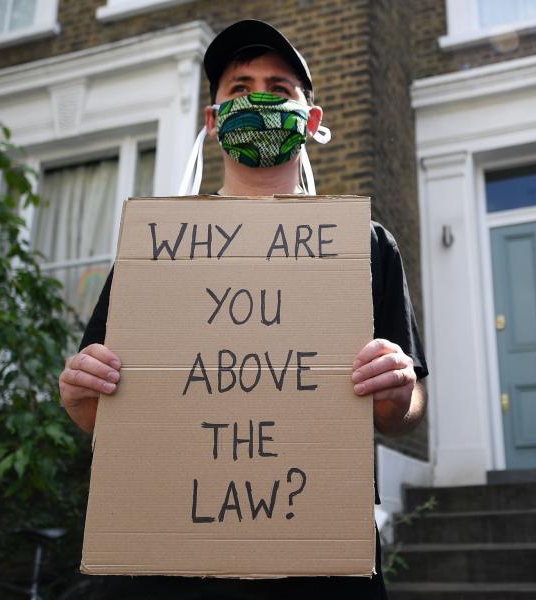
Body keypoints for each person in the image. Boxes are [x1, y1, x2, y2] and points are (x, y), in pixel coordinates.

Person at [58, 19, 429, 599]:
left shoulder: (366, 246)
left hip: (318, 568)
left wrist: (399, 390)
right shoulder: (157, 246)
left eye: (279, 90)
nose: (259, 99)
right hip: (167, 573)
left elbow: (405, 410)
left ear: (311, 121)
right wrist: (80, 396)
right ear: (212, 121)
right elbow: (103, 409)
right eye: (239, 88)